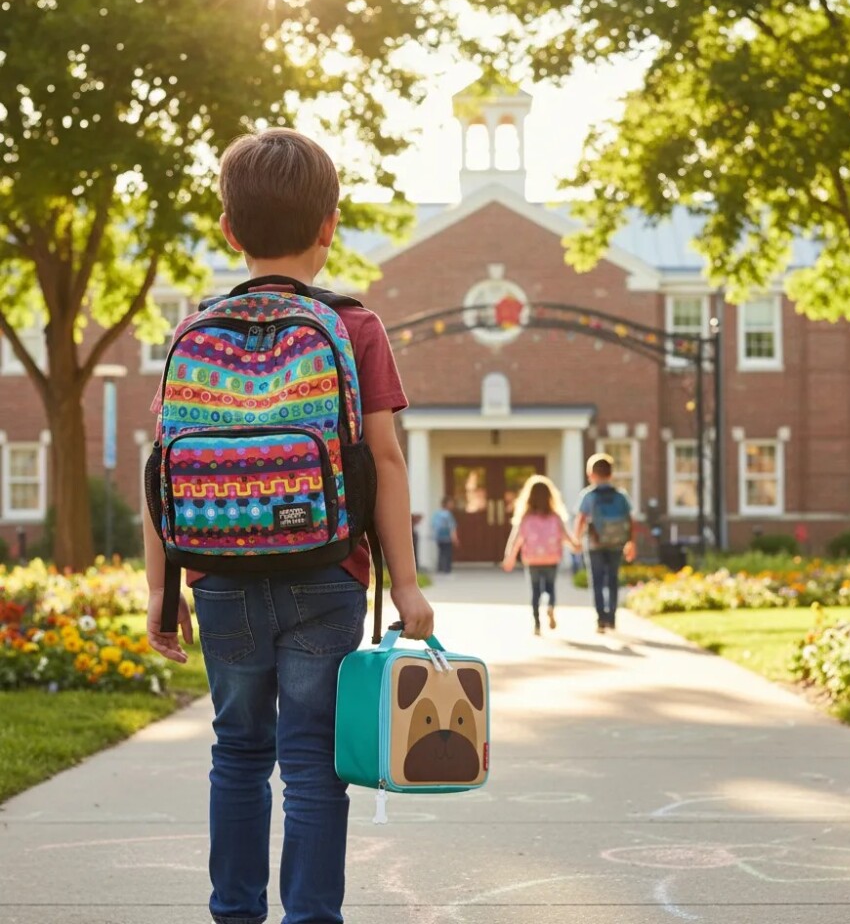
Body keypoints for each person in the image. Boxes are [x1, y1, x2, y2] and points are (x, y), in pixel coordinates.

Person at [142, 128, 434, 924]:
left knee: (238, 752)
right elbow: (386, 461)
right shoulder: (356, 326)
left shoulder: (194, 332)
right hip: (325, 572)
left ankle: (234, 912)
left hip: (219, 576)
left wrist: (160, 594)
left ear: (228, 230)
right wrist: (407, 585)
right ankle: (311, 917)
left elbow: (161, 472)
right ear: (329, 226)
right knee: (312, 763)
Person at [502, 475, 579, 635]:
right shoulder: (555, 517)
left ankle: (537, 624)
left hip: (532, 559)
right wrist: (575, 545)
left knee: (535, 591)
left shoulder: (525, 518)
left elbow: (516, 539)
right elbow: (565, 536)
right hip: (552, 558)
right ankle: (550, 606)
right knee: (550, 587)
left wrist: (509, 557)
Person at [574, 453, 636, 632]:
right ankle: (612, 618)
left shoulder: (588, 495)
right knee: (613, 580)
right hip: (617, 543)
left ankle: (601, 619)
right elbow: (630, 521)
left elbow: (580, 519)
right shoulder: (621, 495)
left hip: (595, 544)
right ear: (611, 474)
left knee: (597, 581)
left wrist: (576, 540)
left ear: (591, 474)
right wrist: (631, 543)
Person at [430, 497, 459, 574]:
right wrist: (454, 538)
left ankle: (440, 568)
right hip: (447, 537)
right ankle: (446, 568)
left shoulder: (437, 514)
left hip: (439, 537)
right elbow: (452, 527)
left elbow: (433, 525)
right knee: (447, 552)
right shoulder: (448, 515)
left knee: (441, 552)